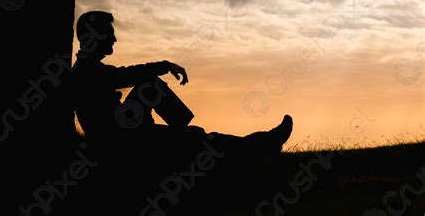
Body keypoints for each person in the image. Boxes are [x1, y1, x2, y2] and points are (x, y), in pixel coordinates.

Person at [72, 11, 293, 157]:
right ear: (96, 37)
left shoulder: (88, 68)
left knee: (189, 130)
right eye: (109, 34)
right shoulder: (87, 71)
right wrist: (166, 65)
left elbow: (126, 77)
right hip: (119, 140)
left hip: (123, 130)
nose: (114, 39)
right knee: (198, 137)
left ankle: (260, 143)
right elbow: (126, 76)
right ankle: (262, 145)